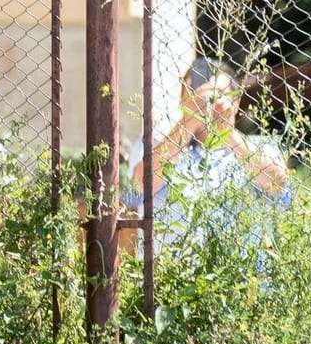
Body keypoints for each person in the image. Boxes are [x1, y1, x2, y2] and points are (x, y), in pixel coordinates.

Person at [122, 56, 293, 257]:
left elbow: (279, 188)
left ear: (235, 101)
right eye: (197, 96)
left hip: (243, 280)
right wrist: (189, 123)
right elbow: (135, 190)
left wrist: (228, 134)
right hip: (170, 278)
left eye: (217, 95)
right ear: (183, 101)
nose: (207, 104)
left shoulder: (261, 147)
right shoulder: (157, 143)